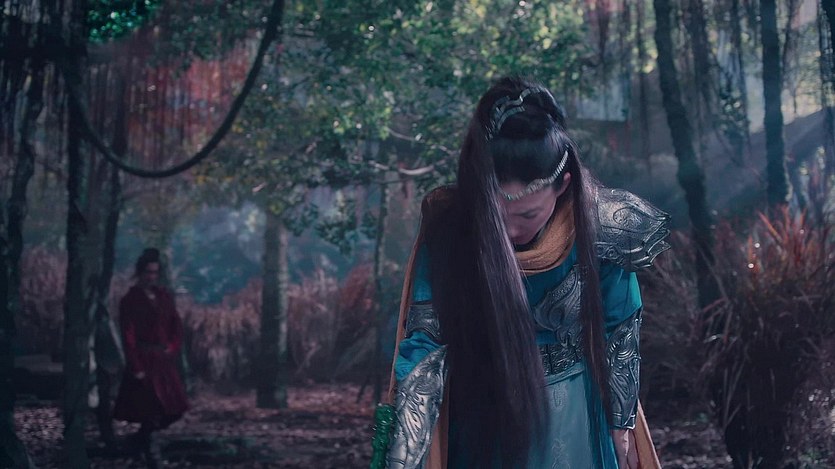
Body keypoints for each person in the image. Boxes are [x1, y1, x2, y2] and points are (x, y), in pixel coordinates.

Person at [378, 77, 670, 468]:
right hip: (482, 413)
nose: (513, 231)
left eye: (528, 214)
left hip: (575, 412)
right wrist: (405, 453)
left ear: (563, 185)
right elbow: (426, 339)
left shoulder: (603, 226)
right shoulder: (453, 230)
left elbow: (620, 328)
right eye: (499, 217)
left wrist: (620, 426)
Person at [113, 248, 188, 468]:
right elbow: (128, 335)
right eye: (148, 272)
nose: (151, 277)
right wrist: (136, 366)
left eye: (155, 272)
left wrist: (172, 347)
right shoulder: (130, 300)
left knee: (175, 408)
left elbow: (176, 325)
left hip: (163, 359)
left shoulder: (164, 296)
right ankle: (152, 455)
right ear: (140, 272)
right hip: (144, 358)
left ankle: (137, 441)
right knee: (151, 409)